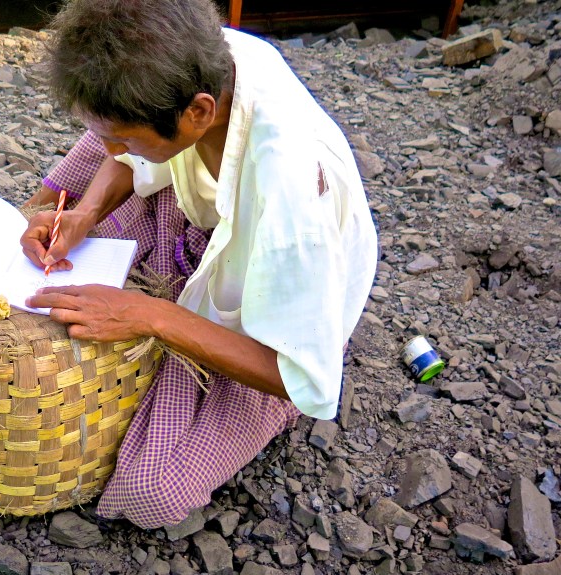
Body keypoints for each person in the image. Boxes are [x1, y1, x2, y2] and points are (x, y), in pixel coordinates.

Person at [19, 0, 378, 529]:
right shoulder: (210, 54)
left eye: (127, 143)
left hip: (274, 320)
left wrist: (150, 317)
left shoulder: (291, 195)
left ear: (200, 113)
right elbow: (124, 150)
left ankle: (229, 387)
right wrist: (84, 213)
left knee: (152, 491)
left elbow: (299, 375)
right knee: (101, 130)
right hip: (198, 225)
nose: (114, 152)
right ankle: (71, 205)